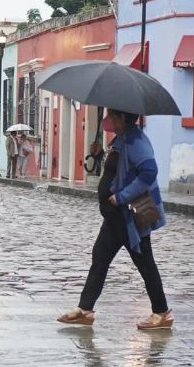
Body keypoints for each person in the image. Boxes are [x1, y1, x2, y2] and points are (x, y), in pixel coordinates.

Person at [58, 109, 172, 330]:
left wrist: (121, 196)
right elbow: (117, 168)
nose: (108, 118)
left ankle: (162, 313)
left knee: (144, 261)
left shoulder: (137, 141)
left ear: (122, 118)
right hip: (114, 216)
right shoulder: (123, 139)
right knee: (100, 257)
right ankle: (85, 309)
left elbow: (149, 172)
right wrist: (101, 154)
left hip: (127, 215)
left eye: (112, 114)